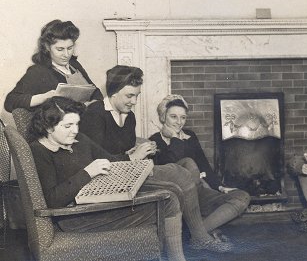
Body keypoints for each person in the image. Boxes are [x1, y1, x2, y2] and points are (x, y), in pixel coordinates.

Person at [80, 65, 231, 252]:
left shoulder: (129, 116)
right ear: (113, 92)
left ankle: (198, 234)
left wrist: (139, 150)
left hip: (129, 170)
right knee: (181, 174)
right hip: (109, 179)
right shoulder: (95, 114)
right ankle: (199, 236)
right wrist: (132, 157)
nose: (134, 101)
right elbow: (94, 159)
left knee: (183, 172)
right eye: (129, 96)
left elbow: (124, 149)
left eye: (137, 95)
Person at [29, 97, 186, 261]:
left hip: (100, 201)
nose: (75, 130)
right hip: (77, 217)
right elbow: (52, 200)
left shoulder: (79, 140)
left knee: (172, 191)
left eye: (76, 124)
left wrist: (137, 164)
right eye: (68, 126)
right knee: (169, 201)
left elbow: (111, 160)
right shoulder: (40, 151)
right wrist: (88, 172)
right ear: (48, 127)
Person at [149, 94, 250, 234]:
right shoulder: (154, 142)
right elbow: (172, 166)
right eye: (173, 117)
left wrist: (220, 187)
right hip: (178, 199)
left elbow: (203, 164)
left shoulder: (190, 136)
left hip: (199, 193)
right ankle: (204, 232)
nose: (179, 122)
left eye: (183, 117)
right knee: (188, 163)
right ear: (162, 117)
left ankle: (197, 233)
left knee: (242, 196)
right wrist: (174, 138)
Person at [4, 20, 103, 113]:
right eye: (60, 49)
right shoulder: (38, 71)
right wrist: (43, 97)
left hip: (88, 118)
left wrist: (90, 105)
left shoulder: (74, 65)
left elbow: (96, 93)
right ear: (47, 47)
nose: (66, 54)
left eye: (70, 48)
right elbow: (10, 101)